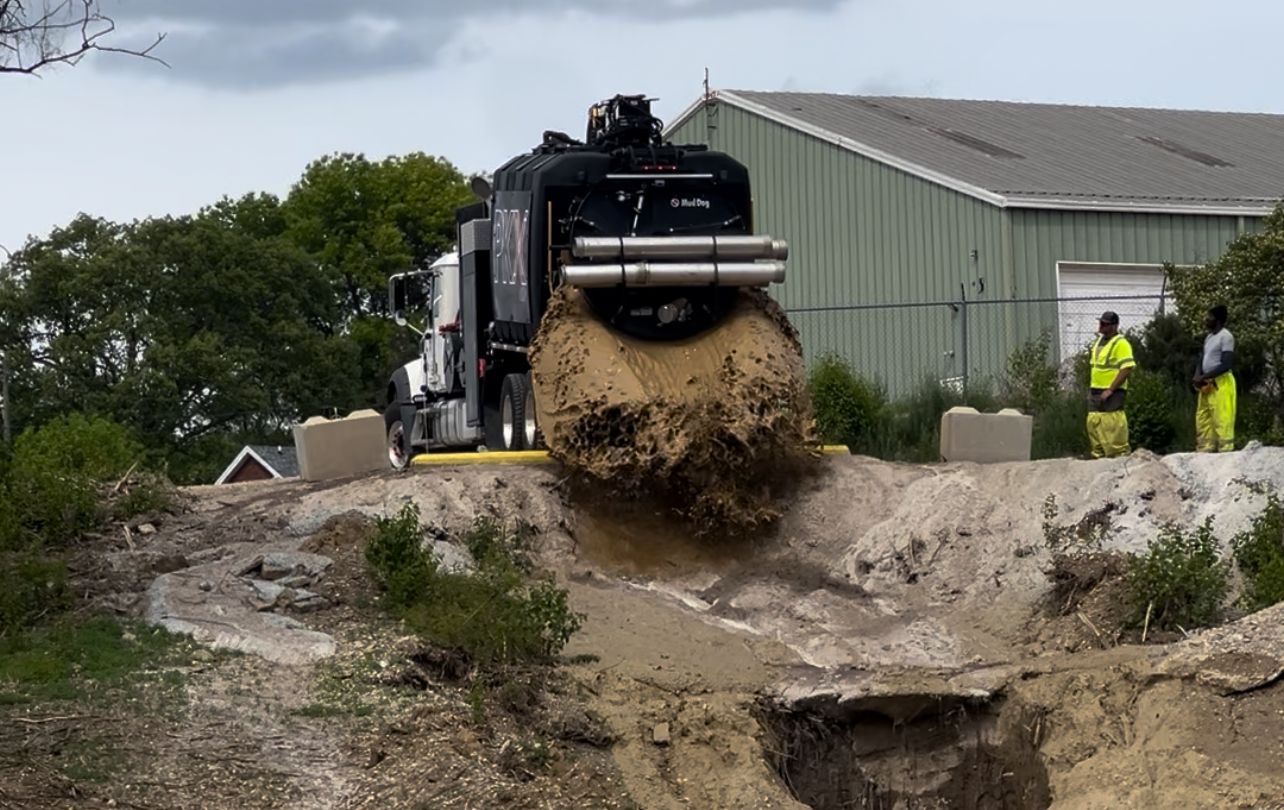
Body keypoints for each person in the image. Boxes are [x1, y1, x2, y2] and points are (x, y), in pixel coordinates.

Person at [1085, 311, 1136, 458]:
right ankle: (1098, 454)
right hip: (1095, 389)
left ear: (1114, 326)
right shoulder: (1099, 342)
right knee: (1094, 421)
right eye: (1100, 323)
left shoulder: (1121, 344)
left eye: (1104, 324)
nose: (1100, 326)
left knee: (1112, 424)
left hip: (1112, 391)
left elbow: (1127, 368)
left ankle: (1118, 456)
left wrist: (1111, 389)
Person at [1194, 304, 1236, 452]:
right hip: (1206, 384)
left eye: (1210, 317)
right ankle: (1206, 449)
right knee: (1203, 418)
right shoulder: (1209, 337)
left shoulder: (1226, 337)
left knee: (1222, 418)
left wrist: (1205, 376)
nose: (1206, 319)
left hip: (1221, 384)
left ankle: (1225, 451)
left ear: (1217, 319)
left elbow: (1226, 364)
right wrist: (1197, 375)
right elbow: (1202, 357)